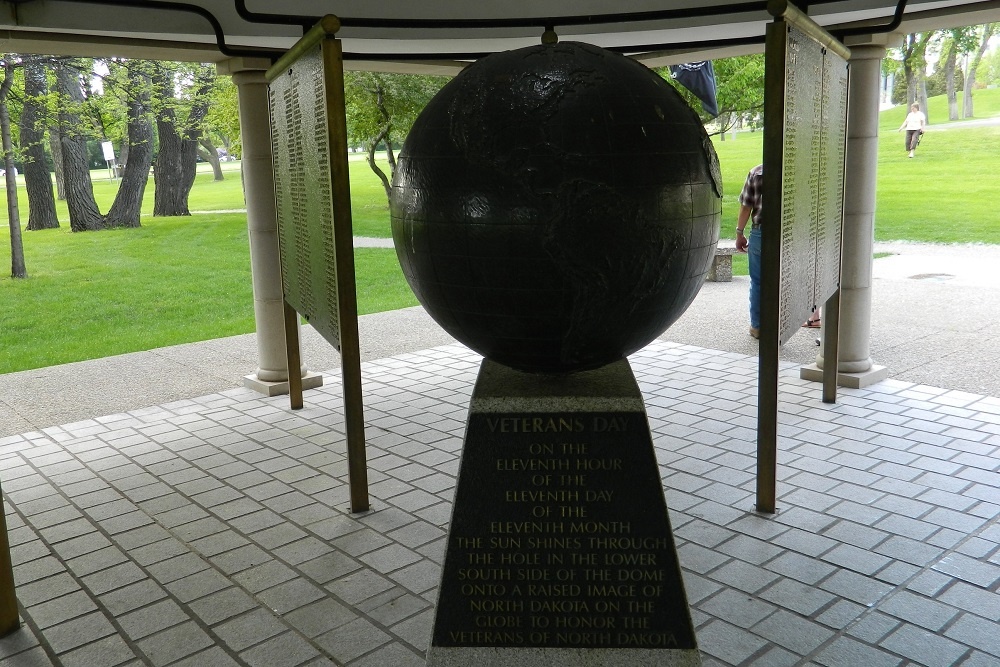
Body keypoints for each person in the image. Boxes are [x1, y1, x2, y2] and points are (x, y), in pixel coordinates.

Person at [735, 164, 763, 339]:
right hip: (788, 232)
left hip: (761, 232)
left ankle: (757, 326)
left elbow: (746, 206)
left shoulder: (756, 172)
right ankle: (780, 324)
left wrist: (739, 233)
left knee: (758, 281)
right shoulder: (795, 170)